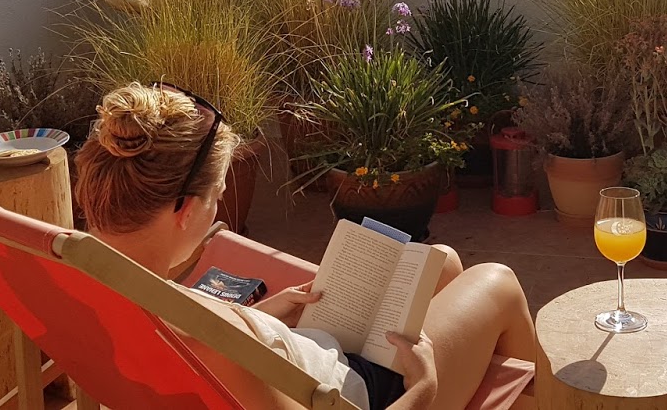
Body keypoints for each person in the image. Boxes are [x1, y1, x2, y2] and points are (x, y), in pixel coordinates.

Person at [74, 82, 539, 410]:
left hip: (312, 361)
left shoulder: (87, 285)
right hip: (372, 396)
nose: (218, 207)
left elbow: (222, 347)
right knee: (496, 282)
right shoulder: (208, 341)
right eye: (217, 197)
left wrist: (263, 318)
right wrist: (423, 389)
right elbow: (225, 353)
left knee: (441, 266)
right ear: (185, 211)